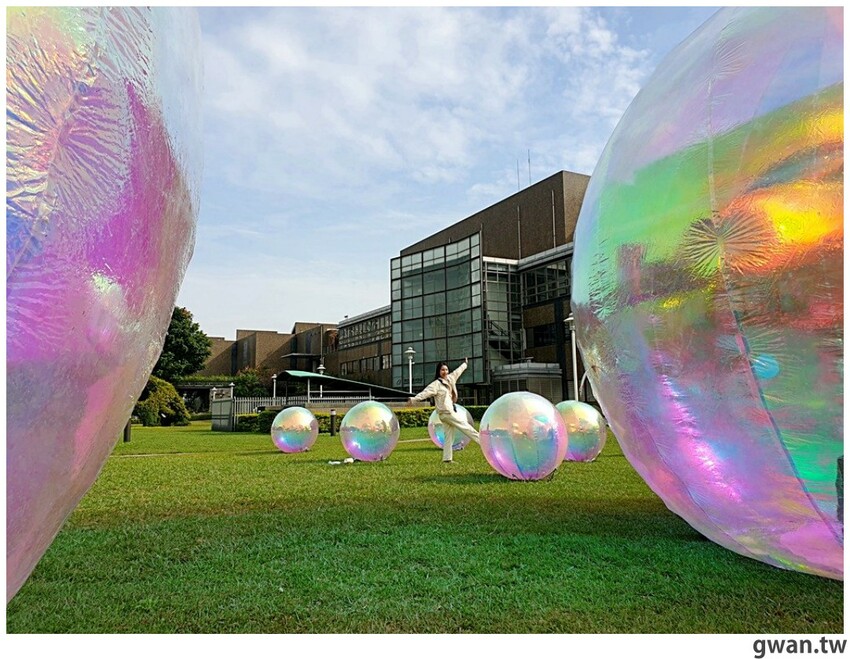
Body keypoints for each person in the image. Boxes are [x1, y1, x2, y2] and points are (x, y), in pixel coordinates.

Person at [408, 358, 480, 463]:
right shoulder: (436, 384)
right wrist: (414, 399)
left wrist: (465, 364)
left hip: (447, 413)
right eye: (442, 370)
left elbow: (458, 371)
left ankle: (447, 459)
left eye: (446, 369)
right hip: (446, 412)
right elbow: (426, 393)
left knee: (448, 436)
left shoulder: (451, 378)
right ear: (438, 371)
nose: (445, 372)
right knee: (466, 427)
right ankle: (485, 444)